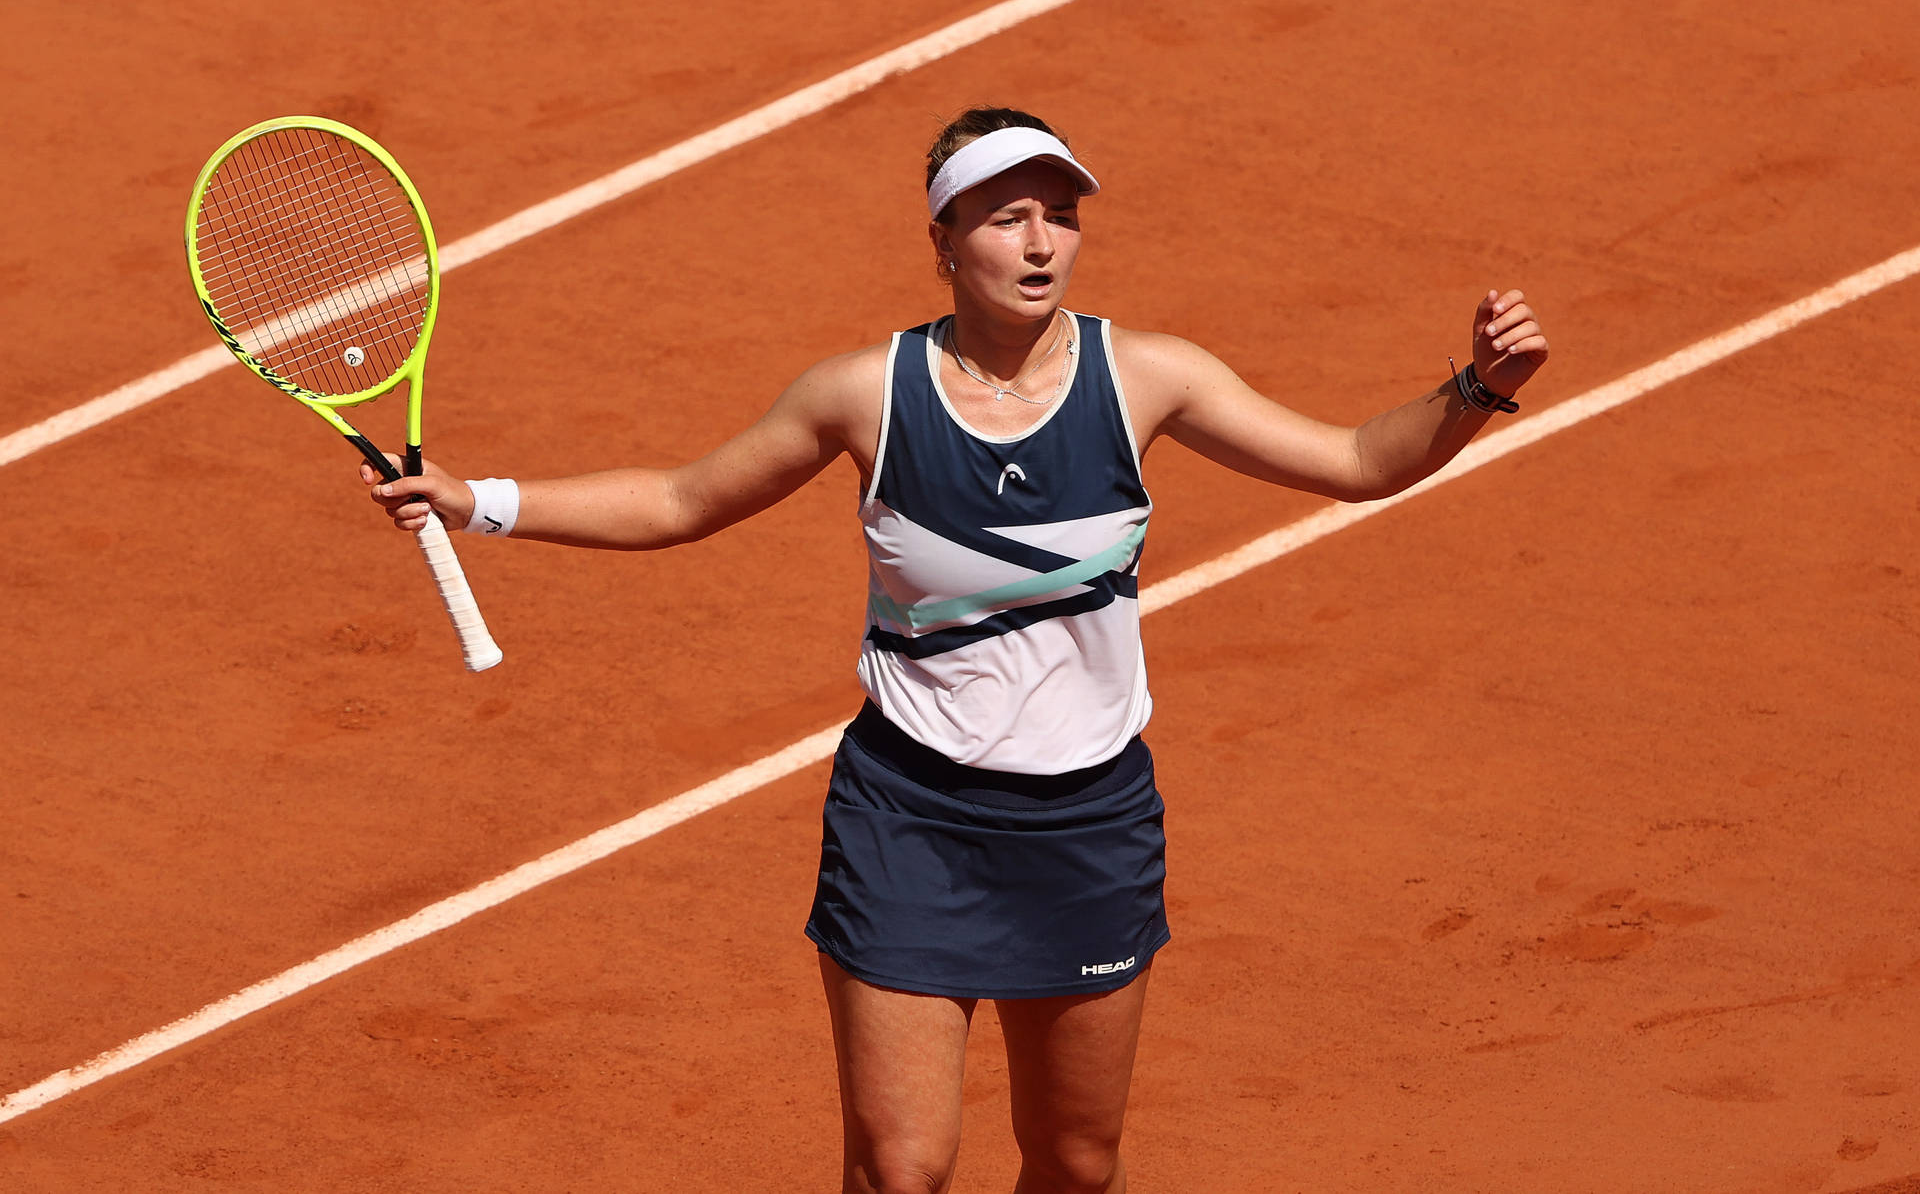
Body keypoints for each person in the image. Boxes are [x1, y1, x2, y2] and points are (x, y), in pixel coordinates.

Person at [364, 106, 1548, 1194]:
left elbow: (1352, 461)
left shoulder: (1148, 377)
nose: (1043, 242)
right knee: (902, 1167)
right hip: (911, 818)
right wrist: (484, 500)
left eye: (1062, 213)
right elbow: (681, 499)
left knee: (1078, 1164)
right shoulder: (862, 395)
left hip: (1088, 824)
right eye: (1007, 215)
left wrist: (1475, 388)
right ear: (945, 238)